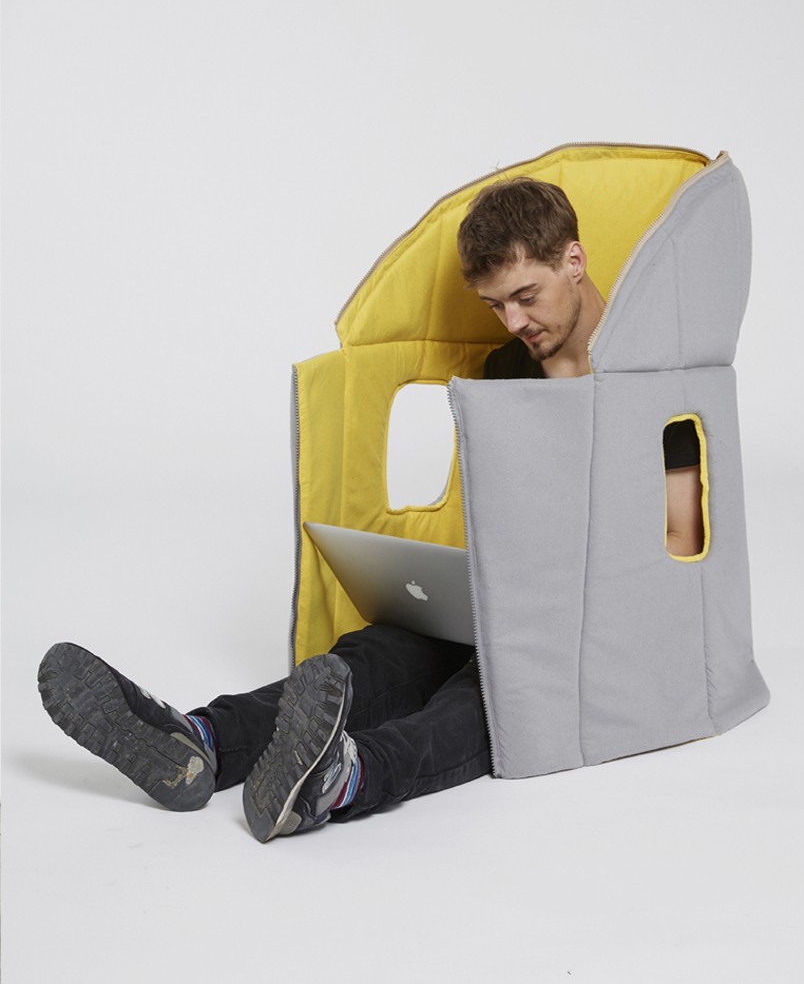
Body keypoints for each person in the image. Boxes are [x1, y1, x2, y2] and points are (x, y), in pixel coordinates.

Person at [38, 177, 703, 840]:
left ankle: (346, 777)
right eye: (496, 305)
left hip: (602, 621)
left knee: (493, 692)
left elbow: (683, 538)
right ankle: (200, 742)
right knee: (380, 652)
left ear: (574, 261)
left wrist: (564, 590)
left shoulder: (657, 378)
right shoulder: (506, 371)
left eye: (526, 297)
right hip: (514, 597)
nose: (513, 322)